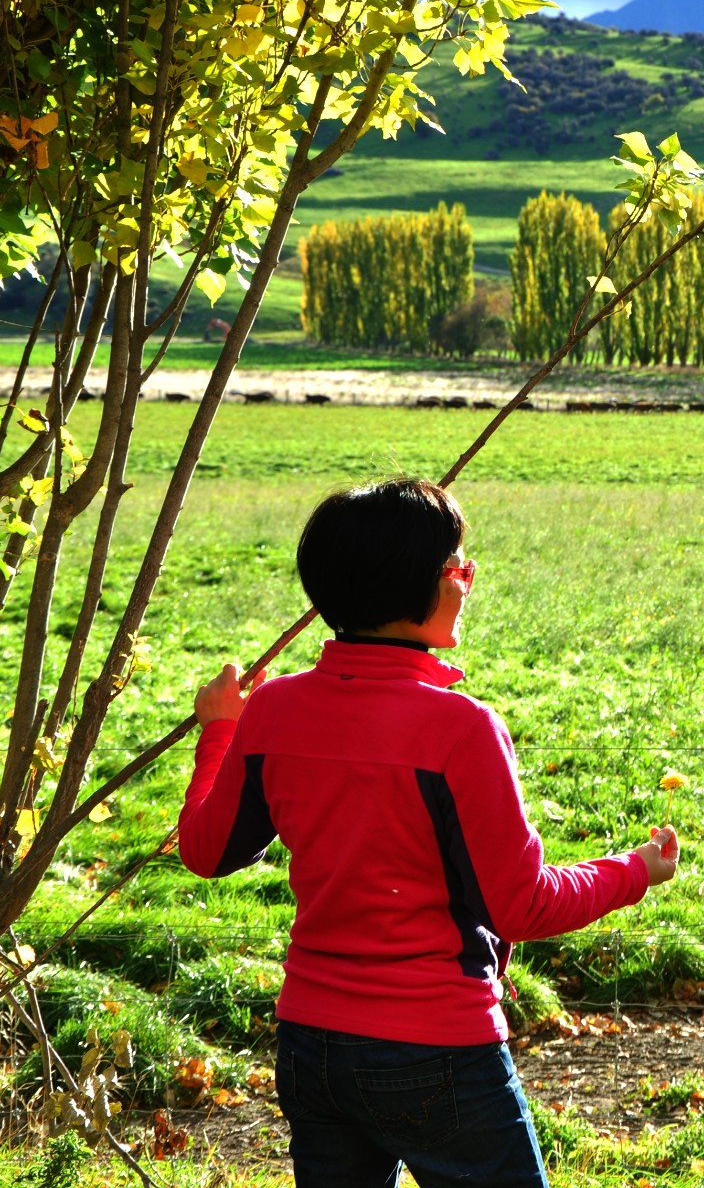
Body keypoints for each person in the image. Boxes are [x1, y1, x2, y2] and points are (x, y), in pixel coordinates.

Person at [178, 478, 678, 1186]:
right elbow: (521, 906)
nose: (469, 581)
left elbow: (204, 850)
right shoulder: (460, 730)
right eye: (458, 566)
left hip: (312, 1047)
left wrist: (220, 730)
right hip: (436, 1048)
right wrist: (635, 871)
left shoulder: (272, 713)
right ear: (418, 586)